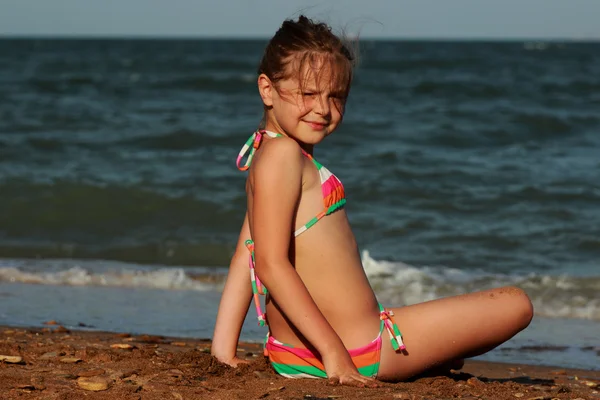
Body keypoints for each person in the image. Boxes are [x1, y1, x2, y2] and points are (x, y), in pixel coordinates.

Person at [211, 15, 533, 386]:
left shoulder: (267, 154)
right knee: (516, 302)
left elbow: (245, 253)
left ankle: (425, 353)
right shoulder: (283, 155)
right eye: (308, 93)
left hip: (293, 354)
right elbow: (268, 264)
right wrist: (335, 355)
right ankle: (407, 355)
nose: (323, 109)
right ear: (267, 89)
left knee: (451, 337)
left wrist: (222, 351)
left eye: (336, 97)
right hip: (358, 350)